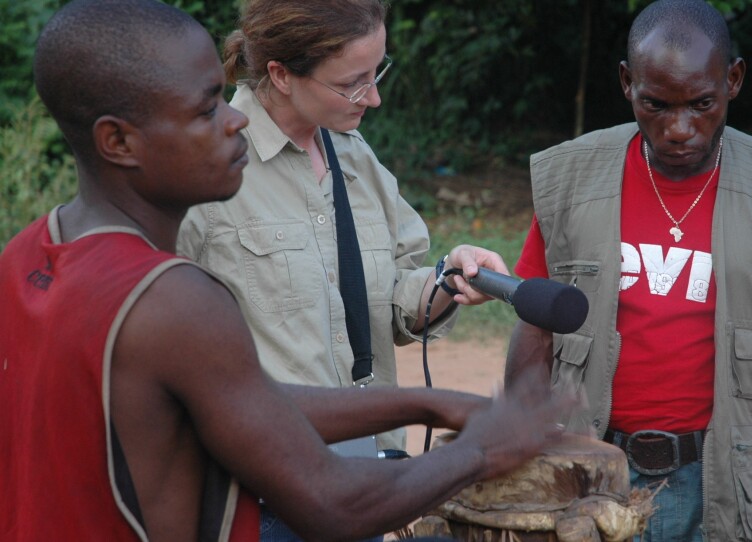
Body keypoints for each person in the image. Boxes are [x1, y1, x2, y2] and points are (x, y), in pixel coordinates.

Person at [0, 1, 571, 541]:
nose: (235, 122)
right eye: (207, 110)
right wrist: (483, 448)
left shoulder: (27, 254)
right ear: (118, 141)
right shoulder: (170, 299)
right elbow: (330, 501)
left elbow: (246, 396)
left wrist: (431, 403)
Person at [504, 1, 752, 540]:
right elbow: (536, 325)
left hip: (731, 477)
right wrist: (519, 444)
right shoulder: (570, 180)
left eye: (702, 104)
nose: (679, 129)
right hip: (593, 469)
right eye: (656, 105)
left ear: (733, 80)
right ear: (626, 84)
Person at [174, 2, 512, 538]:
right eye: (353, 83)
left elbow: (391, 305)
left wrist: (448, 277)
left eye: (377, 73)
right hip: (258, 499)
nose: (373, 98)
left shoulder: (355, 158)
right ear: (282, 75)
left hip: (362, 483)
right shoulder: (207, 169)